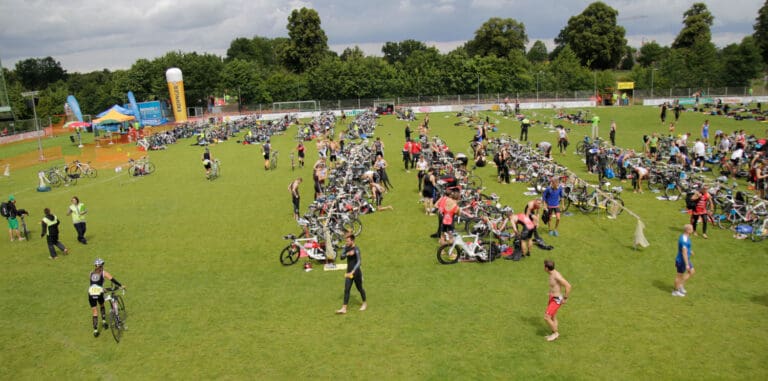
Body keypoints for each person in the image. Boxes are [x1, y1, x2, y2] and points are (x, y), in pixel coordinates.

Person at [88, 258, 124, 337]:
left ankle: (95, 331)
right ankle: (104, 322)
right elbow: (112, 279)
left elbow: (93, 283)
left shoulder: (90, 273)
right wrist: (121, 286)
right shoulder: (103, 273)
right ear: (101, 266)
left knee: (94, 312)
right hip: (99, 292)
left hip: (90, 293)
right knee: (102, 305)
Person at [336, 234, 367, 314]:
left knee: (359, 288)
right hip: (348, 273)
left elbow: (359, 262)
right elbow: (341, 257)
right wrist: (347, 254)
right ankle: (344, 308)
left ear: (352, 241)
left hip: (356, 272)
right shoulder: (346, 248)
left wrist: (353, 271)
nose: (346, 242)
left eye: (348, 241)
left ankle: (364, 303)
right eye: (346, 241)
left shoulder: (356, 249)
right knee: (346, 289)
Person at [543, 259, 572, 342]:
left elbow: (568, 286)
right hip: (552, 297)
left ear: (547, 268)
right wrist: (551, 292)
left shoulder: (556, 276)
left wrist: (565, 298)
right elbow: (555, 286)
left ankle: (556, 333)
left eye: (544, 266)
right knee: (553, 316)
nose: (543, 267)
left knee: (546, 317)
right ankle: (553, 333)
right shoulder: (551, 273)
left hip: (556, 300)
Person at [673, 224, 695, 297]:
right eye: (692, 229)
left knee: (691, 272)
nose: (693, 229)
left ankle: (680, 285)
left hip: (685, 259)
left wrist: (690, 251)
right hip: (681, 260)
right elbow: (684, 252)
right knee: (679, 276)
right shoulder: (684, 240)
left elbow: (686, 249)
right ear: (688, 230)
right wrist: (686, 264)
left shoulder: (685, 236)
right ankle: (675, 291)